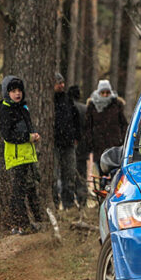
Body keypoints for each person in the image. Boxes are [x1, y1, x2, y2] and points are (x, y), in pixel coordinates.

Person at [0, 75, 43, 235]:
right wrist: (28, 138)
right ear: (6, 93)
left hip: (28, 156)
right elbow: (8, 135)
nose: (17, 94)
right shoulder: (5, 110)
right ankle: (20, 225)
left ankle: (37, 221)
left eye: (19, 91)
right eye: (13, 91)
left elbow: (27, 129)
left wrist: (34, 136)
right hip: (16, 158)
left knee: (31, 190)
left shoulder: (23, 108)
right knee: (18, 193)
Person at [87, 79, 128, 176]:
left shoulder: (117, 105)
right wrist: (90, 142)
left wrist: (122, 139)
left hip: (115, 145)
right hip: (98, 145)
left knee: (115, 172)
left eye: (107, 92)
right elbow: (88, 126)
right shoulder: (92, 106)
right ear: (99, 92)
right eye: (102, 92)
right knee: (102, 172)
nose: (105, 95)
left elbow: (123, 124)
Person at [52, 72, 80, 210]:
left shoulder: (67, 100)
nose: (61, 85)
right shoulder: (48, 101)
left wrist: (76, 137)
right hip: (54, 144)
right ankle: (54, 204)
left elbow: (75, 119)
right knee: (54, 177)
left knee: (69, 175)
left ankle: (68, 203)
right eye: (58, 83)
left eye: (62, 82)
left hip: (68, 143)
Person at [69, 85, 90, 208]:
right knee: (81, 174)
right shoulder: (85, 109)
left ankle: (70, 203)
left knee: (69, 174)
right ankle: (82, 201)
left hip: (70, 145)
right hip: (83, 147)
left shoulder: (68, 108)